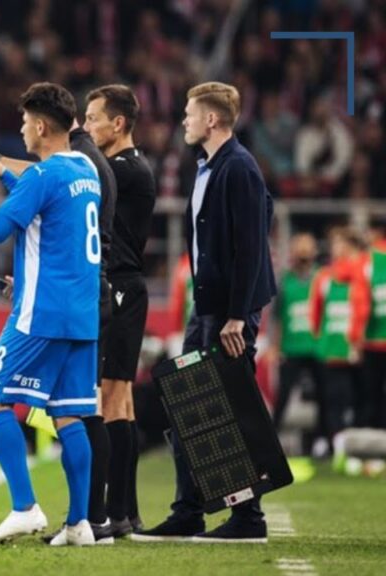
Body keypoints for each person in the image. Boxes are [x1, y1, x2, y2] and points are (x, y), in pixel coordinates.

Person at [0, 82, 101, 546]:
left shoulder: (42, 175)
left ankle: (25, 508)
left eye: (25, 122)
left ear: (40, 126)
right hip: (81, 315)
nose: (21, 130)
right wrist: (3, 174)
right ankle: (79, 523)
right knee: (69, 417)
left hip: (40, 314)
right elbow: (50, 214)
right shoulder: (85, 169)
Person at [133, 81, 277, 544]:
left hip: (228, 313)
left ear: (211, 119)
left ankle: (248, 517)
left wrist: (238, 314)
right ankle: (189, 510)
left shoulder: (238, 167)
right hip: (208, 308)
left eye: (190, 113)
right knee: (187, 407)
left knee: (230, 410)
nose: (184, 120)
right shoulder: (210, 166)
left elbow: (252, 245)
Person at [83, 84, 157, 537]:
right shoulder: (124, 168)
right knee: (121, 403)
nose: (87, 126)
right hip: (125, 288)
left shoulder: (123, 170)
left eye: (93, 118)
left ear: (118, 123)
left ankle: (112, 513)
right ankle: (125, 512)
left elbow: (61, 174)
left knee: (111, 399)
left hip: (121, 289)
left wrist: (2, 165)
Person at [310, 228, 369, 450]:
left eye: (341, 244)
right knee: (333, 400)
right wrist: (321, 340)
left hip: (359, 349)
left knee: (362, 400)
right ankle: (335, 446)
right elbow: (315, 313)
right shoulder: (324, 277)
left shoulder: (364, 274)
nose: (337, 249)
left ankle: (360, 448)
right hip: (332, 349)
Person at [271, 233, 321, 440]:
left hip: (317, 347)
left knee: (323, 397)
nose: (303, 254)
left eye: (307, 249)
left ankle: (320, 442)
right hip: (291, 348)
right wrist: (275, 347)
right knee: (282, 396)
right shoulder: (284, 281)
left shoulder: (321, 277)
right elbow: (277, 317)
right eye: (299, 249)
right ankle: (271, 438)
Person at [359, 223, 386, 429]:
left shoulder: (367, 261)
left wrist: (356, 334)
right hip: (375, 338)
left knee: (371, 394)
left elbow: (360, 302)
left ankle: (373, 435)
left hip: (372, 339)